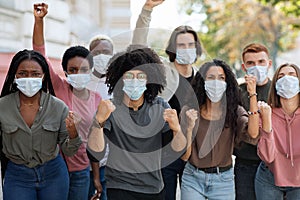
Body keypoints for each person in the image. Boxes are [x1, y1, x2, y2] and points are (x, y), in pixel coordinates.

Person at [87, 45, 189, 200]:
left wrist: (177, 129)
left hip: (153, 188)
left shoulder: (160, 106)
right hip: (120, 187)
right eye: (129, 76)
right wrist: (98, 122)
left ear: (149, 79)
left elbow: (180, 153)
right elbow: (95, 153)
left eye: (140, 76)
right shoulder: (110, 108)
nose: (135, 82)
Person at [132, 1, 202, 199]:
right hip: (163, 154)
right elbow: (138, 47)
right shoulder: (162, 71)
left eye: (190, 45)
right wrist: (147, 10)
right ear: (173, 48)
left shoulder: (202, 78)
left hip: (193, 155)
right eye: (181, 45)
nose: (186, 49)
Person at [32, 3, 101, 200]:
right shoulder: (59, 87)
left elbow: (95, 143)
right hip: (53, 168)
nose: (78, 74)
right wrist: (39, 21)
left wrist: (95, 176)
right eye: (73, 70)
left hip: (81, 170)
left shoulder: (96, 99)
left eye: (84, 70)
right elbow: (39, 53)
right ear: (65, 71)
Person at [0, 49, 82, 200]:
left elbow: (69, 151)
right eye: (23, 74)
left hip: (53, 174)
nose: (29, 78)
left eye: (35, 74)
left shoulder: (58, 107)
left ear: (43, 76)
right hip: (17, 175)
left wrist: (73, 133)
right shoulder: (2, 107)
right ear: (14, 76)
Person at [180, 59, 259, 200]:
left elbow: (253, 133)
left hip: (223, 180)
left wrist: (252, 95)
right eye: (210, 77)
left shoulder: (234, 111)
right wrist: (189, 128)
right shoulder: (190, 111)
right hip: (193, 178)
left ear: (227, 83)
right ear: (202, 81)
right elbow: (185, 156)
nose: (216, 82)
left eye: (221, 78)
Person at [255, 63, 300, 200]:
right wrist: (267, 122)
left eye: (292, 75)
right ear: (275, 84)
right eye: (281, 76)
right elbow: (267, 156)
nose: (287, 78)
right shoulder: (266, 112)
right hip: (269, 177)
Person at [234, 43, 272, 200]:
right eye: (251, 63)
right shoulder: (237, 92)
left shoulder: (278, 90)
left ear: (269, 64)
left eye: (261, 62)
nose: (256, 66)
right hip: (245, 163)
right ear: (244, 67)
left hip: (272, 164)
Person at [87, 34, 114, 200]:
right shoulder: (84, 84)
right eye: (96, 53)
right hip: (87, 165)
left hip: (114, 165)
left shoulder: (120, 84)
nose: (101, 56)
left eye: (106, 52)